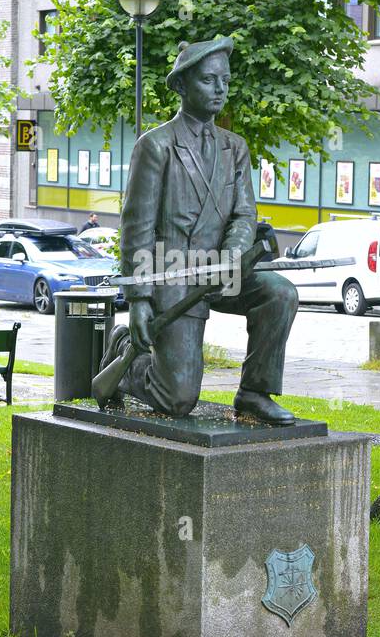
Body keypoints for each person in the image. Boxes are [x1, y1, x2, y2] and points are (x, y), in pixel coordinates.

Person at [100, 36, 298, 424]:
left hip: (222, 270)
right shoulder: (156, 146)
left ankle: (254, 391)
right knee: (177, 399)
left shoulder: (235, 147)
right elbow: (136, 228)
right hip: (173, 274)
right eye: (209, 80)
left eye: (225, 80)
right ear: (182, 86)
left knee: (280, 293)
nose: (220, 89)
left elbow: (244, 214)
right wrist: (140, 298)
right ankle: (126, 350)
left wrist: (234, 256)